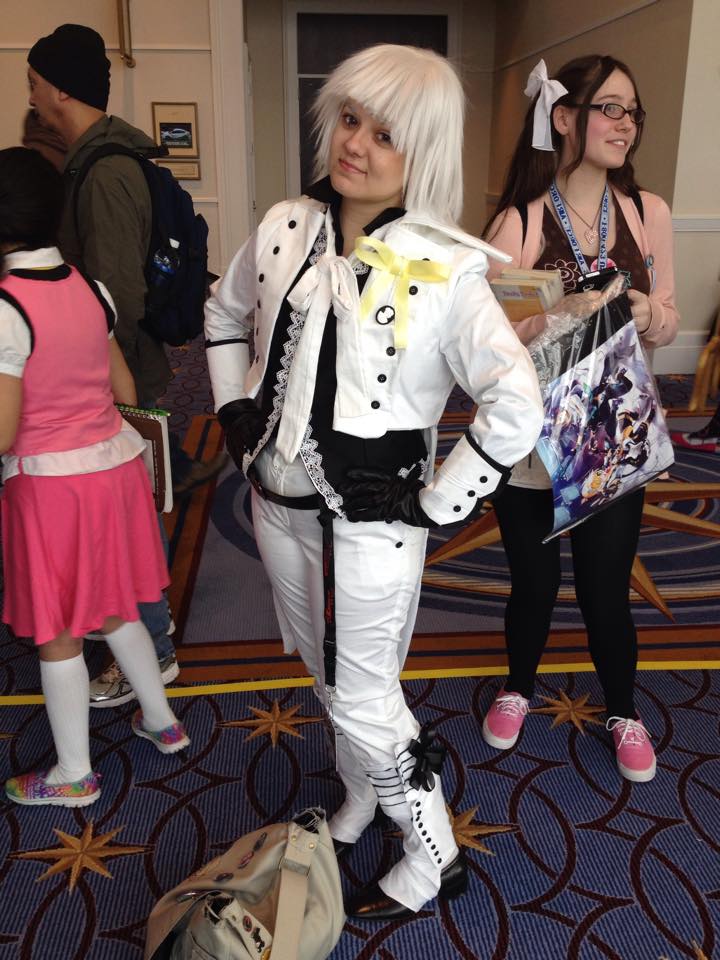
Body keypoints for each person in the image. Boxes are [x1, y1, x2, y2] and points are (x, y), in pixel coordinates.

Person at [205, 44, 543, 918]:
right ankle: (360, 798)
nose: (355, 144)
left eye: (385, 134)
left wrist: (435, 501)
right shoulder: (285, 226)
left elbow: (516, 402)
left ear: (421, 151)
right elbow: (222, 313)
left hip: (376, 519)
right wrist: (235, 410)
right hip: (276, 504)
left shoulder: (447, 266)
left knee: (364, 694)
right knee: (326, 675)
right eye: (350, 119)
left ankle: (436, 856)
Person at [481, 56, 679, 783]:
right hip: (532, 436)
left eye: (632, 112)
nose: (626, 125)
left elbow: (670, 321)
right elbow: (484, 339)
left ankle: (622, 709)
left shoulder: (647, 212)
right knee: (534, 586)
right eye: (610, 109)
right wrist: (553, 316)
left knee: (605, 588)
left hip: (613, 429)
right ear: (564, 117)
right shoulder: (521, 219)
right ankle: (518, 686)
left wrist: (646, 312)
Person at [26, 23, 225, 705]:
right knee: (127, 516)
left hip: (119, 378)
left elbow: (117, 297)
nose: (31, 95)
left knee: (126, 525)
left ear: (59, 89)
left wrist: (77, 361)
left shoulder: (105, 173)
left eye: (34, 82)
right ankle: (138, 636)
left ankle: (154, 652)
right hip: (116, 373)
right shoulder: (96, 160)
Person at [0, 147, 189, 808]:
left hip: (50, 485)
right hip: (113, 470)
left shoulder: (7, 307)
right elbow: (124, 388)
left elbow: (3, 431)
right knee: (114, 604)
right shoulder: (90, 287)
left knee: (58, 630)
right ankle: (162, 723)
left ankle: (74, 774)